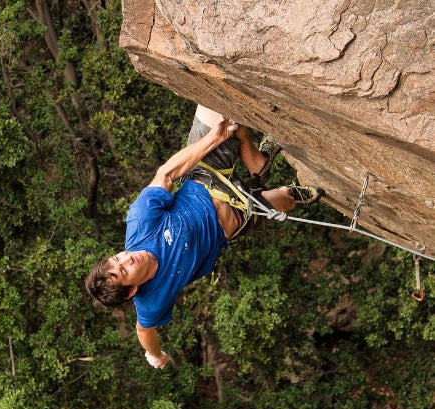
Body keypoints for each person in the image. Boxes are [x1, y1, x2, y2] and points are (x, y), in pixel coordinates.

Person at [85, 105, 324, 368]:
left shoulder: (140, 224)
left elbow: (166, 173)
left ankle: (258, 162)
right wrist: (154, 355)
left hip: (207, 176)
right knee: (286, 200)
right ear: (131, 290)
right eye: (125, 269)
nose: (128, 257)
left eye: (118, 258)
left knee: (219, 111)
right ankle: (265, 173)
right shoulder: (151, 301)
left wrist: (215, 137)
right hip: (237, 216)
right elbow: (145, 332)